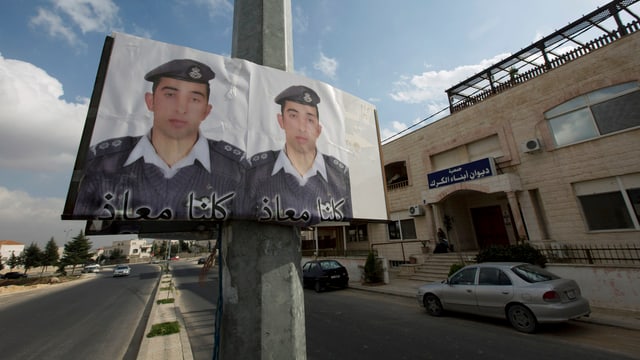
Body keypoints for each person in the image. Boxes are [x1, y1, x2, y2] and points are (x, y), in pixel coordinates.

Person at [74, 59, 245, 221]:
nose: (181, 109)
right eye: (170, 94)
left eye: (194, 99)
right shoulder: (102, 162)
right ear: (151, 101)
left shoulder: (235, 168)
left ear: (206, 111)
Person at [244, 85, 352, 225]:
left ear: (318, 129)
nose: (302, 127)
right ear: (281, 121)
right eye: (293, 116)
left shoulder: (340, 177)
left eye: (310, 119)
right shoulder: (255, 172)